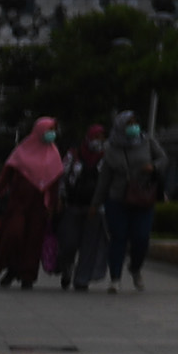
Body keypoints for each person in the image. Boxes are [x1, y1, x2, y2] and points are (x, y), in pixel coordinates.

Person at [0, 118, 64, 290]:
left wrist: (52, 205)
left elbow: (54, 183)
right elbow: (5, 176)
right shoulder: (22, 151)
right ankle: (12, 268)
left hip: (39, 206)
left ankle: (27, 276)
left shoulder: (54, 155)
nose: (52, 134)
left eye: (54, 130)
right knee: (14, 234)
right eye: (49, 129)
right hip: (18, 203)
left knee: (33, 240)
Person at [101, 114, 165, 290]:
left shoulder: (147, 142)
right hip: (117, 199)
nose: (133, 127)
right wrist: (95, 203)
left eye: (135, 123)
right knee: (118, 238)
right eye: (129, 124)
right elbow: (104, 178)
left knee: (141, 238)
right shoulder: (111, 147)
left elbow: (163, 159)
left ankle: (135, 267)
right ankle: (115, 277)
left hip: (143, 198)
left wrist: (153, 167)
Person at [59, 123, 110, 290]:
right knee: (69, 242)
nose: (98, 141)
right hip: (73, 205)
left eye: (101, 138)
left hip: (95, 208)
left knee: (89, 245)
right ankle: (67, 267)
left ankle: (82, 279)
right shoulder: (74, 155)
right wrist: (60, 198)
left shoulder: (107, 157)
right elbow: (62, 176)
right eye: (96, 137)